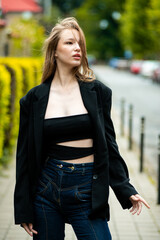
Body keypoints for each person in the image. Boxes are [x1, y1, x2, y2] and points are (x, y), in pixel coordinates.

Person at [14, 17, 150, 240]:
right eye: (69, 43)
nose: (77, 47)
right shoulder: (33, 100)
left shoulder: (98, 93)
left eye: (79, 43)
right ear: (54, 51)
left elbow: (109, 146)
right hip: (46, 188)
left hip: (87, 188)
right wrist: (23, 209)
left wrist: (126, 189)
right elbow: (25, 157)